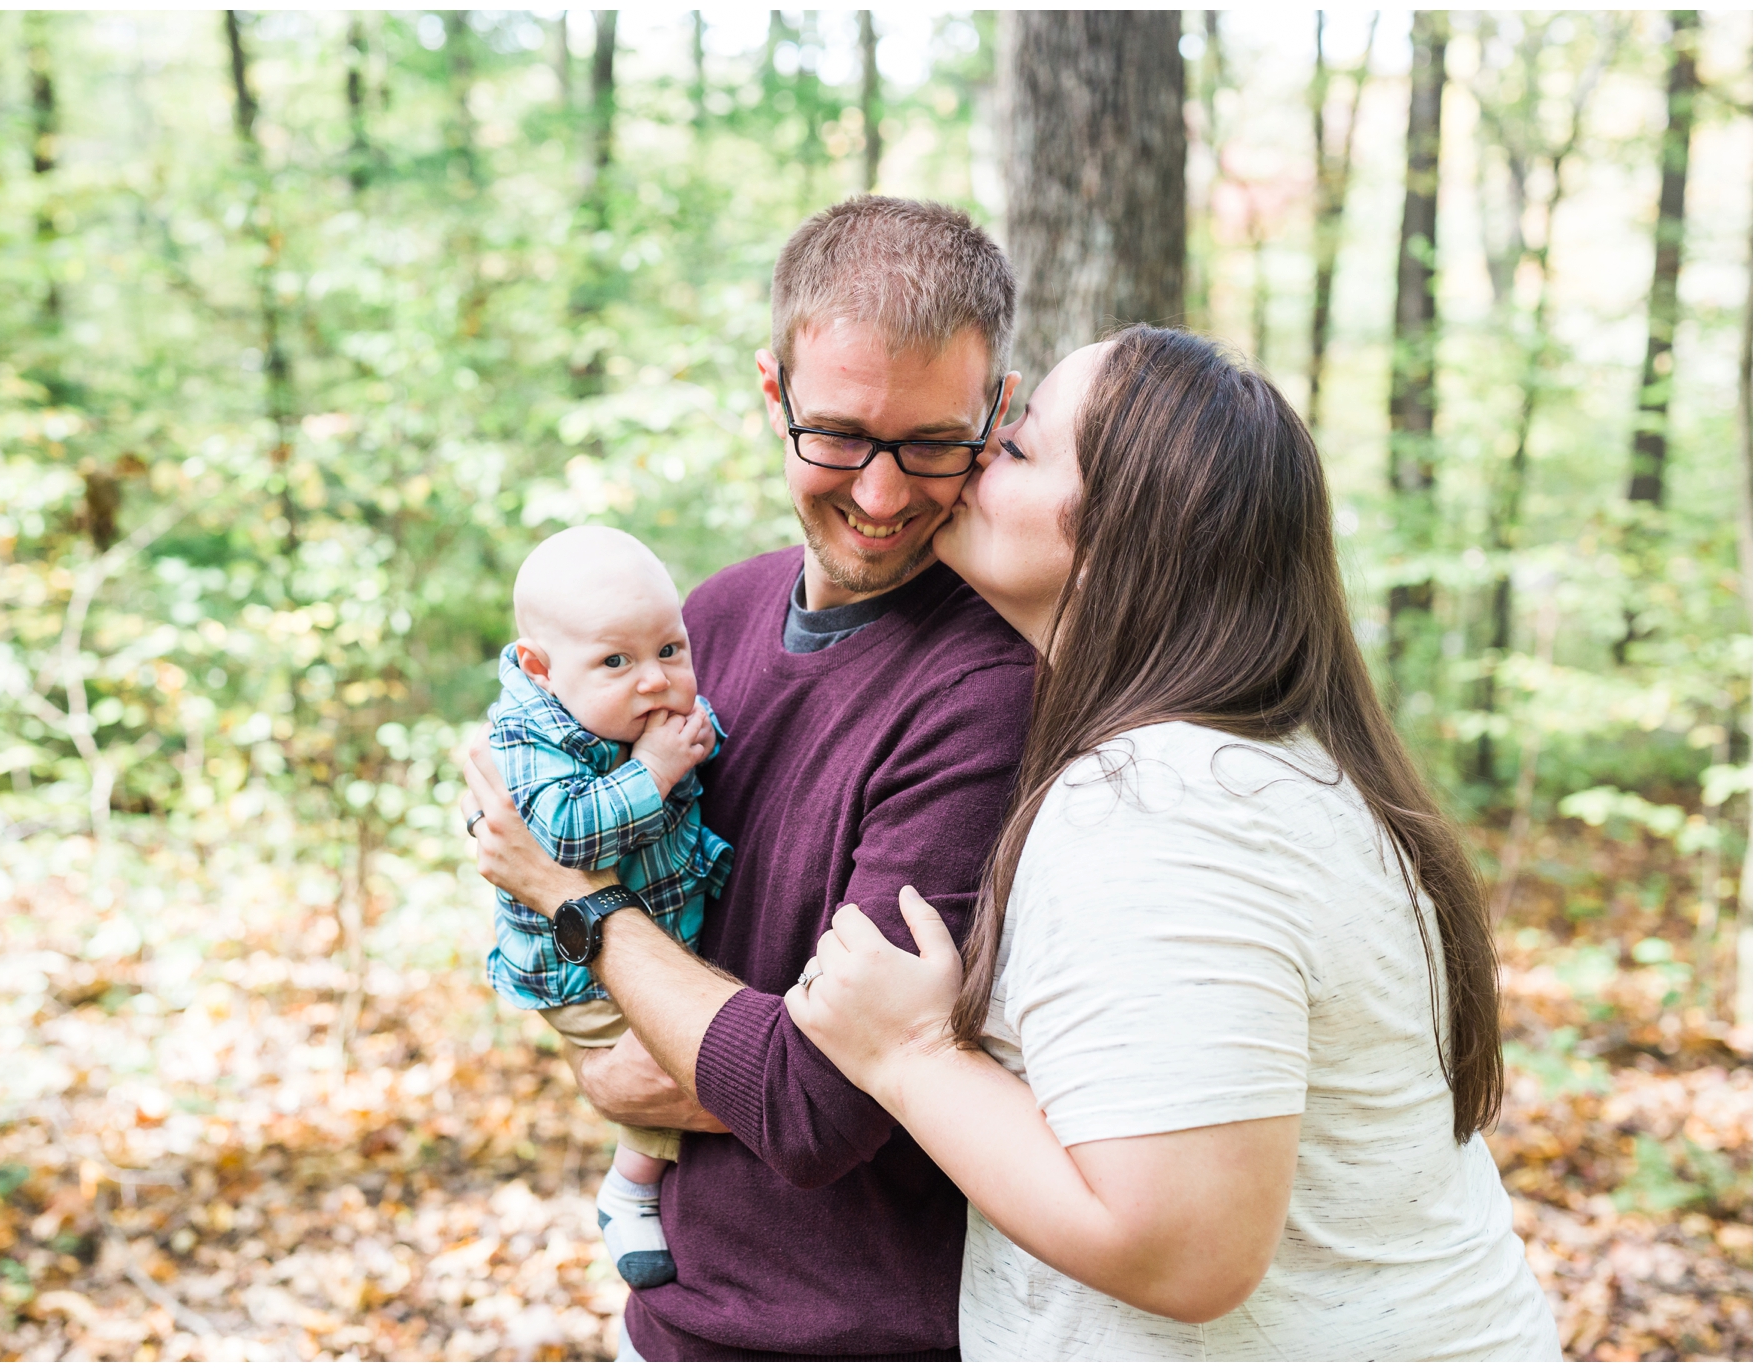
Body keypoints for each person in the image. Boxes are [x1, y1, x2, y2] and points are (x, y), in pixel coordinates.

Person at [786, 326, 1563, 1360]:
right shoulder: (1266, 763)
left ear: (1122, 533)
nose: (979, 454)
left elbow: (1184, 1251)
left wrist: (909, 1053)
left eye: (1018, 447)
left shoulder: (1162, 804)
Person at [462, 196, 1035, 1359]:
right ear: (771, 395)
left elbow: (815, 1105)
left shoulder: (987, 687)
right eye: (836, 434)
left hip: (854, 1335)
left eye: (931, 443)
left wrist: (572, 904)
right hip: (668, 1316)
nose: (880, 497)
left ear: (998, 413)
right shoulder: (701, 621)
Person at [482, 526, 733, 1291]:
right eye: (616, 662)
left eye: (669, 651)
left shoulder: (631, 712)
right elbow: (563, 836)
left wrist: (697, 737)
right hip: (578, 973)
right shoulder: (526, 735)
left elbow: (703, 741)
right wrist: (658, 768)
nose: (654, 681)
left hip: (655, 924)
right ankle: (629, 1190)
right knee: (666, 1063)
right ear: (539, 667)